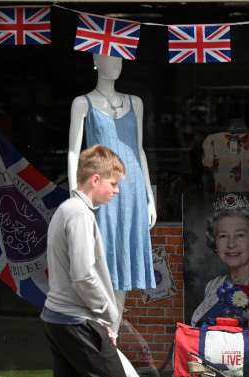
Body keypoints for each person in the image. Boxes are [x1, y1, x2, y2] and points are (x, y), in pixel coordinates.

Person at [68, 54, 157, 333]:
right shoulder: (82, 103)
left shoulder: (136, 103)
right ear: (95, 60)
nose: (116, 63)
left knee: (124, 265)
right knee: (102, 262)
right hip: (100, 194)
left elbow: (138, 150)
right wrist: (76, 195)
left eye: (120, 58)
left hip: (132, 194)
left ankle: (112, 337)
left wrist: (149, 196)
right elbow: (74, 152)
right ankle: (103, 335)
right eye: (109, 57)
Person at [41, 145, 126, 377]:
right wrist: (108, 314)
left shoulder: (68, 209)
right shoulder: (79, 213)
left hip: (61, 319)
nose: (117, 191)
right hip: (77, 321)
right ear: (95, 179)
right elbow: (83, 276)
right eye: (114, 183)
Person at [191, 194, 249, 331]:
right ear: (215, 243)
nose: (231, 244)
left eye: (240, 235)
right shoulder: (213, 285)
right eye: (223, 236)